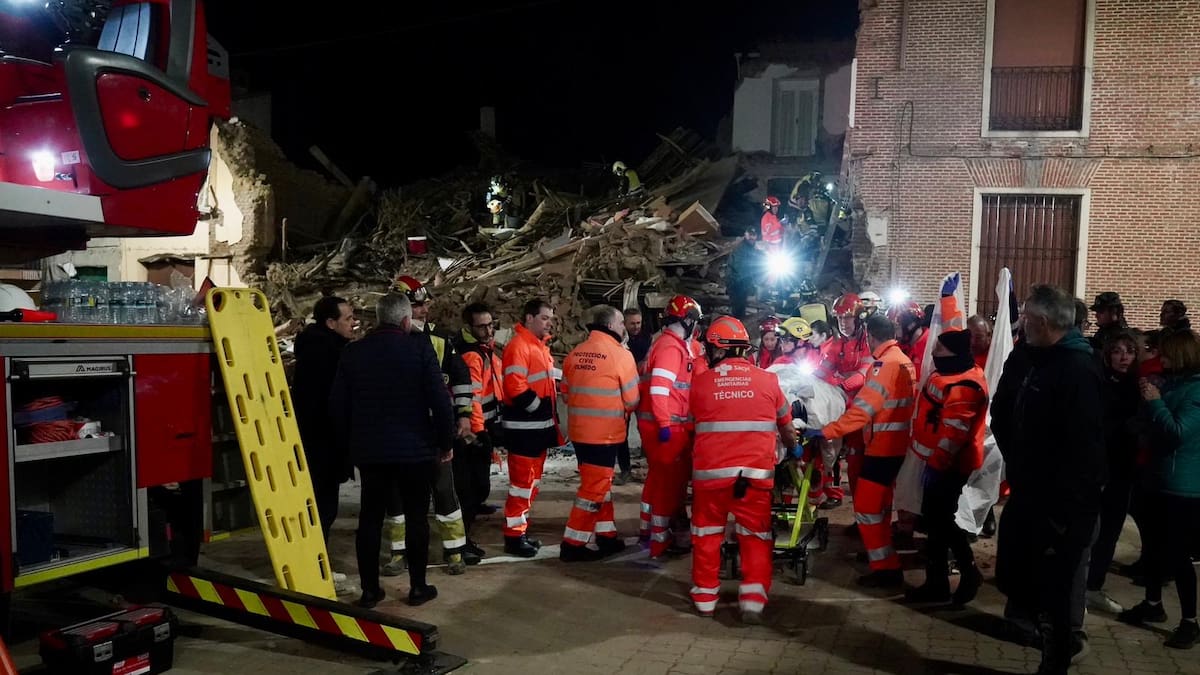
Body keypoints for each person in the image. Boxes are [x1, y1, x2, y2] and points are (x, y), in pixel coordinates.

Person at [991, 284, 1105, 675]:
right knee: (1031, 580)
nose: (1021, 323)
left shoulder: (1077, 370)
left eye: (1024, 317)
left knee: (1055, 593)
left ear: (1040, 321)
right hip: (1037, 495)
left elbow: (1084, 449)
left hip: (1061, 506)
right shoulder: (1043, 361)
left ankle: (1054, 662)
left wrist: (1065, 512)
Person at [330, 292, 453, 609]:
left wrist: (348, 447)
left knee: (370, 518)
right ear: (405, 320)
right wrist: (445, 443)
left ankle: (370, 591)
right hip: (415, 450)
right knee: (416, 518)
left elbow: (338, 407)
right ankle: (418, 587)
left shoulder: (353, 353)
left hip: (371, 452)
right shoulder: (419, 350)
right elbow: (440, 402)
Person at [689, 315, 797, 623]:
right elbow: (787, 427)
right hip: (754, 477)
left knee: (707, 536)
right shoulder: (768, 380)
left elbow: (689, 426)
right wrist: (794, 448)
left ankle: (705, 599)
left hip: (710, 478)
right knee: (755, 537)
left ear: (719, 349)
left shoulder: (701, 383)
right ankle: (752, 600)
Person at [807, 314, 917, 587]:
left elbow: (862, 412)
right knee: (879, 507)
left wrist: (826, 431)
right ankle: (881, 558)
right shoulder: (902, 360)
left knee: (867, 509)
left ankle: (885, 567)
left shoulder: (884, 365)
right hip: (895, 445)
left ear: (870, 336)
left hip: (882, 448)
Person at [903, 288, 989, 605]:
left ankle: (967, 573)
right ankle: (936, 583)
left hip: (948, 465)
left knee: (943, 524)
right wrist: (948, 301)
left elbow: (954, 433)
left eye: (939, 348)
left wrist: (936, 465)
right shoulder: (952, 373)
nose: (935, 351)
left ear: (952, 354)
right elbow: (952, 326)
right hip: (937, 463)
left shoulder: (964, 384)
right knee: (936, 525)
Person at [387, 275, 475, 574]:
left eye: (425, 304)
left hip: (434, 429)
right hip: (401, 431)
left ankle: (454, 552)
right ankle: (398, 553)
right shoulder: (386, 340)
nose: (423, 310)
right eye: (417, 305)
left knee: (444, 492)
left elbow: (461, 379)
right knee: (397, 497)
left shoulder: (440, 339)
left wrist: (463, 415)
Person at [1118, 329, 1200, 650]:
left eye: (1164, 354)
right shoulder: (1175, 384)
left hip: (1183, 488)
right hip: (1156, 479)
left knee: (1178, 556)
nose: (1158, 358)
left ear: (1180, 355)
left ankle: (1190, 621)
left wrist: (1154, 403)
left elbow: (1178, 432)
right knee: (1152, 547)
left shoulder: (1196, 391)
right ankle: (1153, 605)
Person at [560, 305, 640, 561]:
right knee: (593, 491)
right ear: (609, 326)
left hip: (580, 434)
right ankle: (573, 544)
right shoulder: (620, 356)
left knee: (598, 486)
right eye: (620, 324)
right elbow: (632, 399)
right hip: (604, 435)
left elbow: (565, 393)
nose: (623, 328)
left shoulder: (576, 353)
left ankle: (606, 536)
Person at [292, 295, 357, 594]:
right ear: (330, 323)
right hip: (323, 444)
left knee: (319, 506)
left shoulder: (316, 347)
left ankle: (315, 566)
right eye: (347, 319)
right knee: (322, 507)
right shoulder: (331, 355)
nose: (353, 323)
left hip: (317, 442)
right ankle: (316, 572)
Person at [637, 295, 703, 558]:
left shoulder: (670, 345)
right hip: (667, 427)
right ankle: (660, 542)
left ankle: (651, 532)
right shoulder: (671, 349)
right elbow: (659, 390)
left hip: (663, 425)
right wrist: (665, 424)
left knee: (659, 481)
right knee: (669, 486)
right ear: (688, 321)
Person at [1085, 330, 1141, 615]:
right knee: (1090, 531)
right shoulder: (1100, 385)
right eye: (1118, 351)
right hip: (1100, 469)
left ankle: (1094, 585)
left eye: (1129, 351)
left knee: (1110, 533)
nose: (1124, 357)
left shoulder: (1140, 388)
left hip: (1124, 470)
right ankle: (1082, 584)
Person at [500, 298, 561, 557]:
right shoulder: (519, 346)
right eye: (545, 318)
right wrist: (540, 407)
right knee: (522, 486)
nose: (550, 323)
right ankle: (514, 536)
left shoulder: (536, 346)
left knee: (531, 484)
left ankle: (520, 531)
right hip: (524, 430)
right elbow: (515, 385)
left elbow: (544, 378)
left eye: (550, 318)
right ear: (529, 318)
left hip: (536, 430)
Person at [454, 302, 505, 555]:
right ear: (469, 327)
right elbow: (472, 397)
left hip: (483, 425)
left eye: (490, 324)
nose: (488, 330)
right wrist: (477, 432)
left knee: (476, 486)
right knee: (472, 488)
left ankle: (469, 521)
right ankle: (462, 538)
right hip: (474, 431)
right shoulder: (472, 355)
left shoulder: (483, 350)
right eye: (482, 326)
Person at [727, 227, 763, 320]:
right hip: (736, 282)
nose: (752, 237)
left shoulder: (751, 247)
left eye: (753, 235)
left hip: (742, 282)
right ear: (745, 234)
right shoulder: (740, 248)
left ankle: (740, 320)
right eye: (750, 234)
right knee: (738, 306)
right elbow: (741, 268)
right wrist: (751, 282)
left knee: (742, 304)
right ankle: (737, 323)